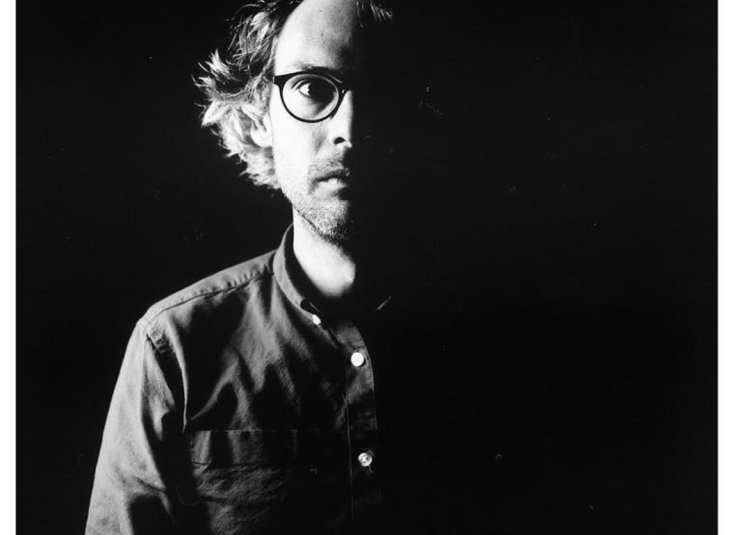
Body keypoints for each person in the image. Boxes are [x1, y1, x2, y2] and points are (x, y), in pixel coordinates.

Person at [85, 1, 463, 533]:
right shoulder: (175, 346)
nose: (350, 128)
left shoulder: (509, 334)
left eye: (385, 89)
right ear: (260, 115)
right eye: (312, 87)